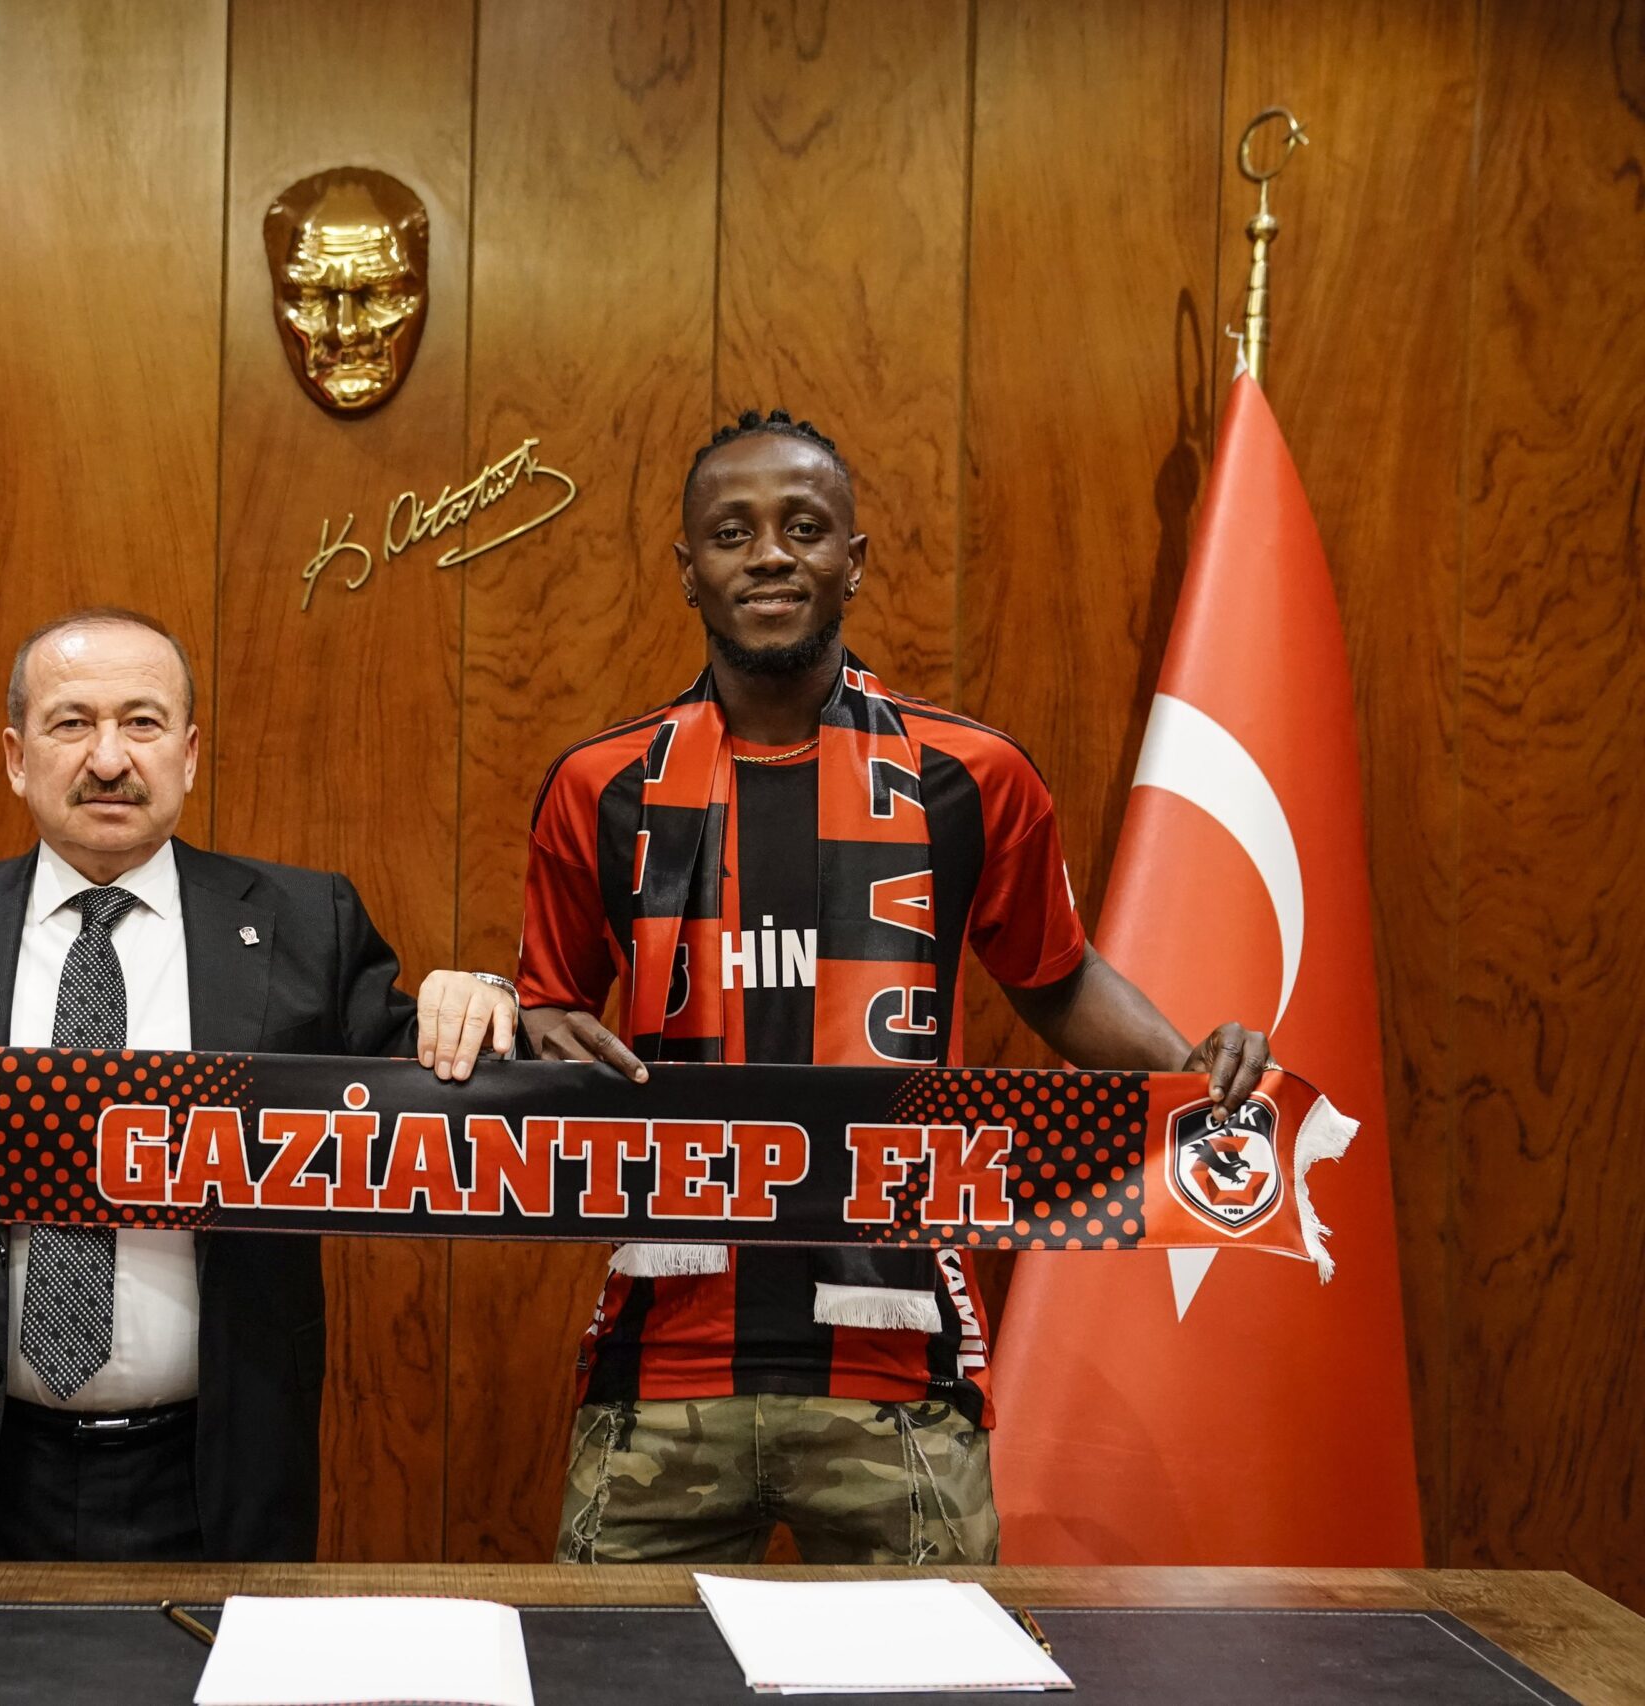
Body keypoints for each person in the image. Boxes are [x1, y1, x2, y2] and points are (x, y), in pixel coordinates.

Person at [518, 410, 1273, 1567]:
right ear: (687, 569)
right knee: (608, 1662)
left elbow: (1056, 979)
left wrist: (1187, 1070)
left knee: (937, 1662)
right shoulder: (597, 784)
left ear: (853, 559)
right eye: (731, 531)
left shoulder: (971, 774)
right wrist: (498, 1012)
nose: (769, 555)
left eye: (803, 526)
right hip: (662, 1359)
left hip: (899, 1360)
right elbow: (551, 1010)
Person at [0, 606, 516, 1563]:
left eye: (143, 723)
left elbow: (434, 1084)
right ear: (16, 756)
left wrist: (482, 998)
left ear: (189, 754)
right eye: (72, 723)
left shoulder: (304, 921)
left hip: (214, 1465)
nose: (109, 759)